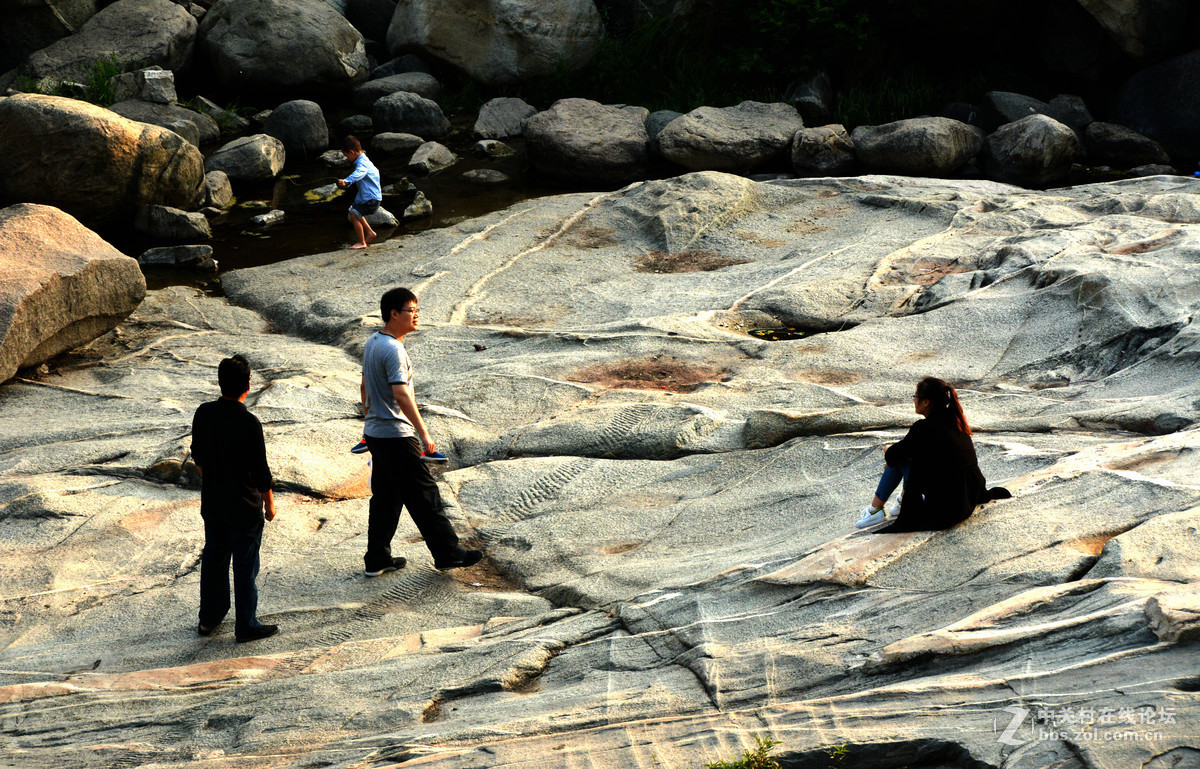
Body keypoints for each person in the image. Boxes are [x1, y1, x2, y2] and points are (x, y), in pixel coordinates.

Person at [360, 287, 483, 575]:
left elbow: (365, 385)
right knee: (425, 496)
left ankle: (377, 559)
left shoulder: (373, 342)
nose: (416, 316)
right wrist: (424, 433)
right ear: (394, 314)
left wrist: (369, 414)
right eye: (411, 311)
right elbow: (401, 394)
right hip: (397, 436)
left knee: (386, 498)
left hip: (377, 433)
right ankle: (448, 553)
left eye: (417, 310)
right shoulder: (393, 349)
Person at [190, 355, 280, 642]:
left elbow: (199, 458)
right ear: (248, 385)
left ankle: (208, 620)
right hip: (244, 505)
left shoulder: (203, 413)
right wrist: (270, 503)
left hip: (214, 503)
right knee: (244, 566)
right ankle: (247, 625)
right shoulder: (248, 422)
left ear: (220, 383)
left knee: (214, 560)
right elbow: (260, 470)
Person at [855, 376, 1009, 532]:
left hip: (944, 506)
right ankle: (900, 501)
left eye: (916, 396)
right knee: (907, 456)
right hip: (966, 497)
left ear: (926, 402)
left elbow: (894, 455)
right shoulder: (956, 422)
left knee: (898, 457)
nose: (914, 400)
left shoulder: (924, 427)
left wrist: (887, 448)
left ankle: (875, 510)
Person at [336, 135, 382, 249]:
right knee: (354, 210)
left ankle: (362, 242)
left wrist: (346, 181)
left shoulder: (362, 164)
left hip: (371, 199)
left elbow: (359, 173)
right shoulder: (364, 159)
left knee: (354, 214)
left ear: (351, 152)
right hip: (371, 197)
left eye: (346, 156)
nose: (347, 158)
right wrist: (348, 183)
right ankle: (370, 233)